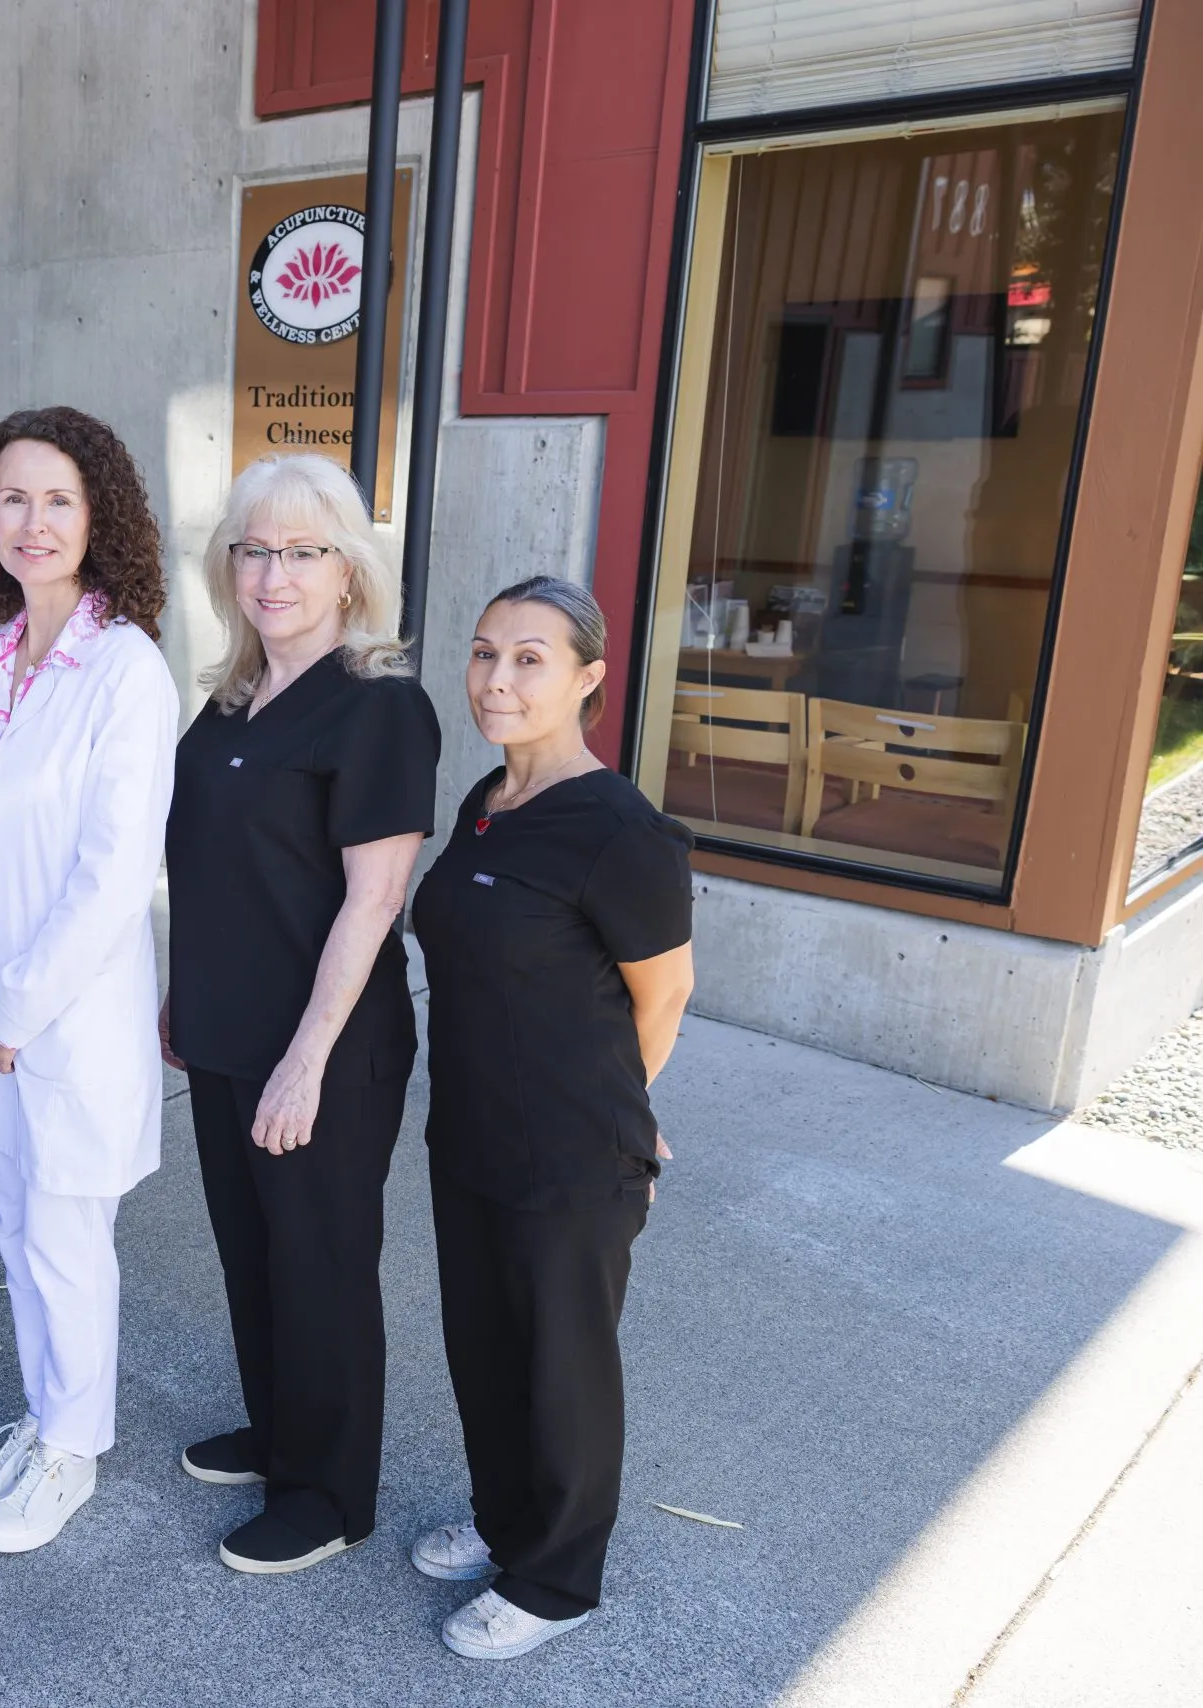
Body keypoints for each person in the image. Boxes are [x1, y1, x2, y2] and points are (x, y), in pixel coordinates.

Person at [161, 453, 441, 1574]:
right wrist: (183, 992)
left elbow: (374, 899)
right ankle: (280, 1433)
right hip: (225, 1030)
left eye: (303, 551)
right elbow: (219, 868)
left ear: (349, 570)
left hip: (323, 1046)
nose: (274, 574)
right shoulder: (233, 698)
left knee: (319, 1263)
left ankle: (328, 1495)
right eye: (255, 550)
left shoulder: (379, 706)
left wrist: (307, 1057)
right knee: (252, 1250)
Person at [408, 575, 694, 1661]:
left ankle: (558, 1578)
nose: (497, 677)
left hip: (574, 1155)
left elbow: (663, 995)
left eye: (530, 658)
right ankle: (502, 1523)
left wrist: (621, 1109)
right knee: (484, 1348)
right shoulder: (488, 799)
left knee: (562, 1367)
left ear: (588, 679)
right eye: (485, 652)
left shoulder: (620, 830)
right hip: (471, 1133)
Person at [0, 409, 179, 1554]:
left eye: (58, 500)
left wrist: (14, 1007)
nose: (32, 522)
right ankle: (43, 1418)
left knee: (68, 1242)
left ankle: (74, 1449)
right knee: (15, 1225)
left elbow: (113, 875)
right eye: (12, 498)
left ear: (99, 517)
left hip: (65, 1022)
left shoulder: (124, 669)